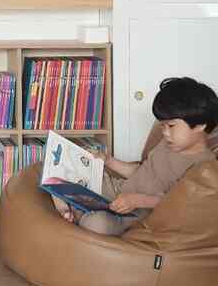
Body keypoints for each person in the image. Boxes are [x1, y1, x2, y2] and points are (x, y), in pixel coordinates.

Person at [55, 77, 218, 236]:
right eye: (162, 126)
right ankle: (69, 210)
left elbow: (178, 205)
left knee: (96, 225)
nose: (165, 132)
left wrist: (138, 200)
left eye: (171, 126)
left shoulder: (204, 166)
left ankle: (72, 212)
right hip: (119, 189)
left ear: (200, 125)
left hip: (135, 213)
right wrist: (109, 161)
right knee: (61, 171)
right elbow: (141, 171)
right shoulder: (169, 142)